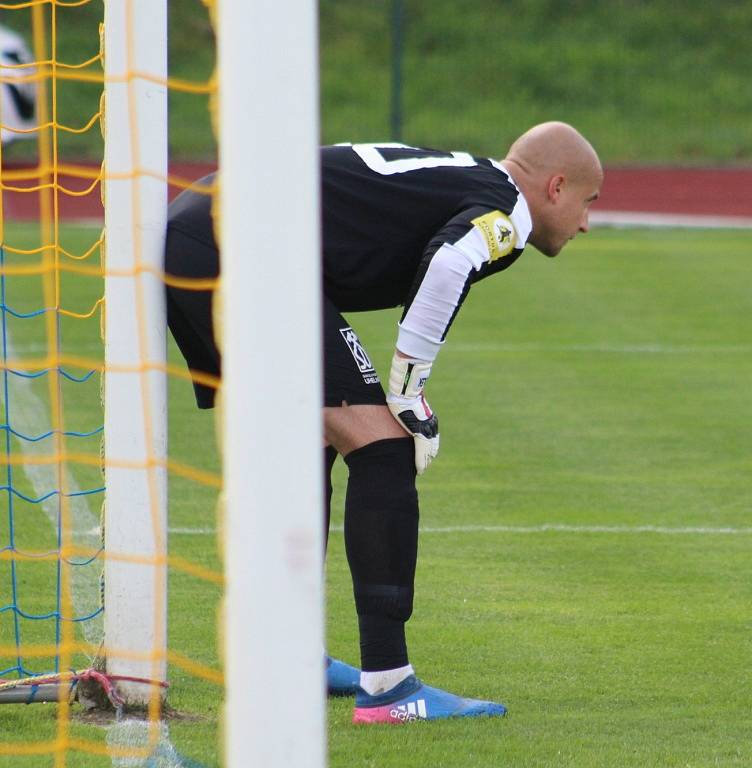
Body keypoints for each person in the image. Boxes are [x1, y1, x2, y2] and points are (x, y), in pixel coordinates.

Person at [165, 121, 603, 724]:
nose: (585, 223)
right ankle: (389, 687)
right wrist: (409, 390)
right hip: (239, 248)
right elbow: (449, 264)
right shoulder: (508, 211)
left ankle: (287, 656)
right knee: (384, 447)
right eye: (588, 203)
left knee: (313, 439)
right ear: (556, 186)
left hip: (201, 231)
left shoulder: (466, 177)